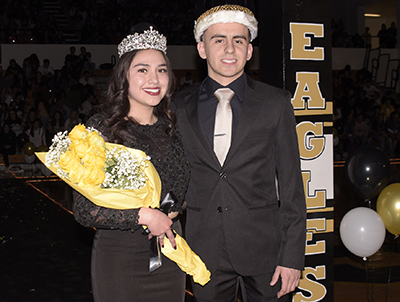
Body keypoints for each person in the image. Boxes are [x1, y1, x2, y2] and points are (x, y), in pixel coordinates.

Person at [175, 3, 306, 301]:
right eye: (219, 39)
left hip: (267, 252)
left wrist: (292, 256)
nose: (230, 49)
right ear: (202, 49)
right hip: (203, 249)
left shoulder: (276, 103)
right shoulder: (179, 106)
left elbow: (292, 187)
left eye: (239, 40)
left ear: (249, 50)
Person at [72, 24, 190, 302]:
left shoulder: (174, 127)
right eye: (142, 70)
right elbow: (83, 210)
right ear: (124, 75)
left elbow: (185, 189)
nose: (154, 79)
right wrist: (145, 215)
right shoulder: (102, 129)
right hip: (120, 256)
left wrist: (174, 209)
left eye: (162, 70)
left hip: (171, 251)